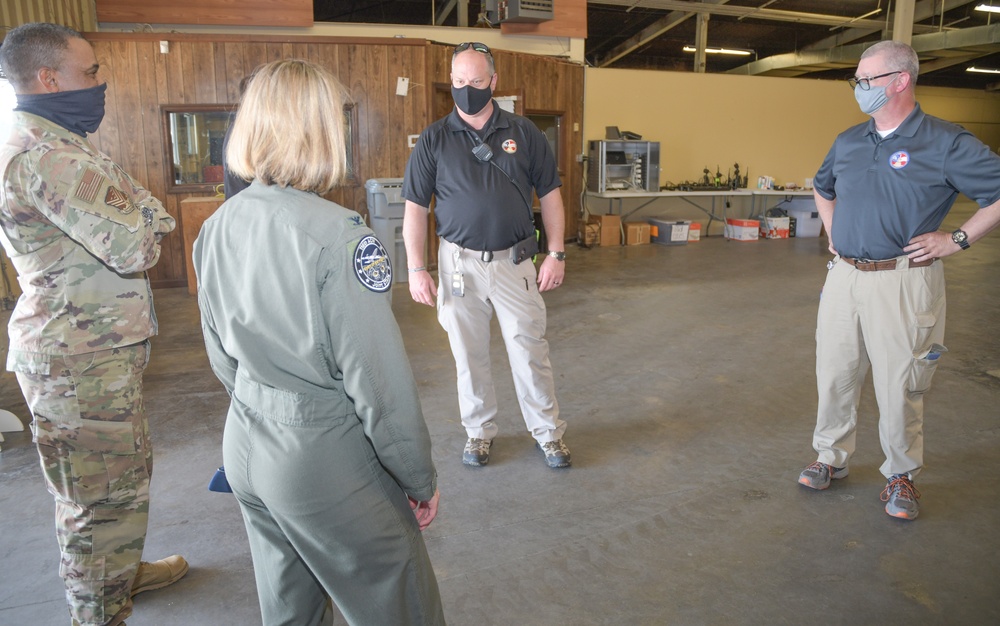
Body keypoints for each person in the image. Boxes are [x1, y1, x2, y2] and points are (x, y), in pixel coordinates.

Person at [192, 58, 444, 626]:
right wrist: (417, 475)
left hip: (247, 445)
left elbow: (220, 355)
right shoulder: (339, 236)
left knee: (290, 608)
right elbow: (378, 384)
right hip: (320, 460)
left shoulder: (219, 225)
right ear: (324, 131)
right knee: (401, 601)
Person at [0, 23, 188, 625]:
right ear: (49, 79)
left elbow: (144, 208)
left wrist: (142, 213)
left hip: (93, 348)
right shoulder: (47, 156)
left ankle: (120, 571)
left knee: (119, 478)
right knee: (95, 497)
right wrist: (144, 215)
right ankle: (98, 611)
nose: (98, 84)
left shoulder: (67, 142)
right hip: (76, 356)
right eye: (91, 72)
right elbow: (139, 244)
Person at [798, 40, 1000, 520]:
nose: (859, 89)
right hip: (844, 278)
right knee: (835, 373)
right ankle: (830, 457)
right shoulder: (849, 141)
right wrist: (833, 230)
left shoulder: (945, 142)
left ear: (900, 80)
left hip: (905, 282)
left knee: (900, 381)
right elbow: (821, 186)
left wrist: (958, 239)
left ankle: (900, 475)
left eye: (865, 80)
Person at [402, 42, 570, 469]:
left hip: (515, 263)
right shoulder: (434, 139)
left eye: (475, 81)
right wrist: (416, 268)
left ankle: (548, 433)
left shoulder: (524, 132)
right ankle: (478, 432)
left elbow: (550, 195)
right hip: (458, 264)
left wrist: (556, 253)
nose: (466, 89)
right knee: (467, 353)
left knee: (529, 348)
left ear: (493, 82)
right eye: (459, 82)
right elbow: (415, 210)